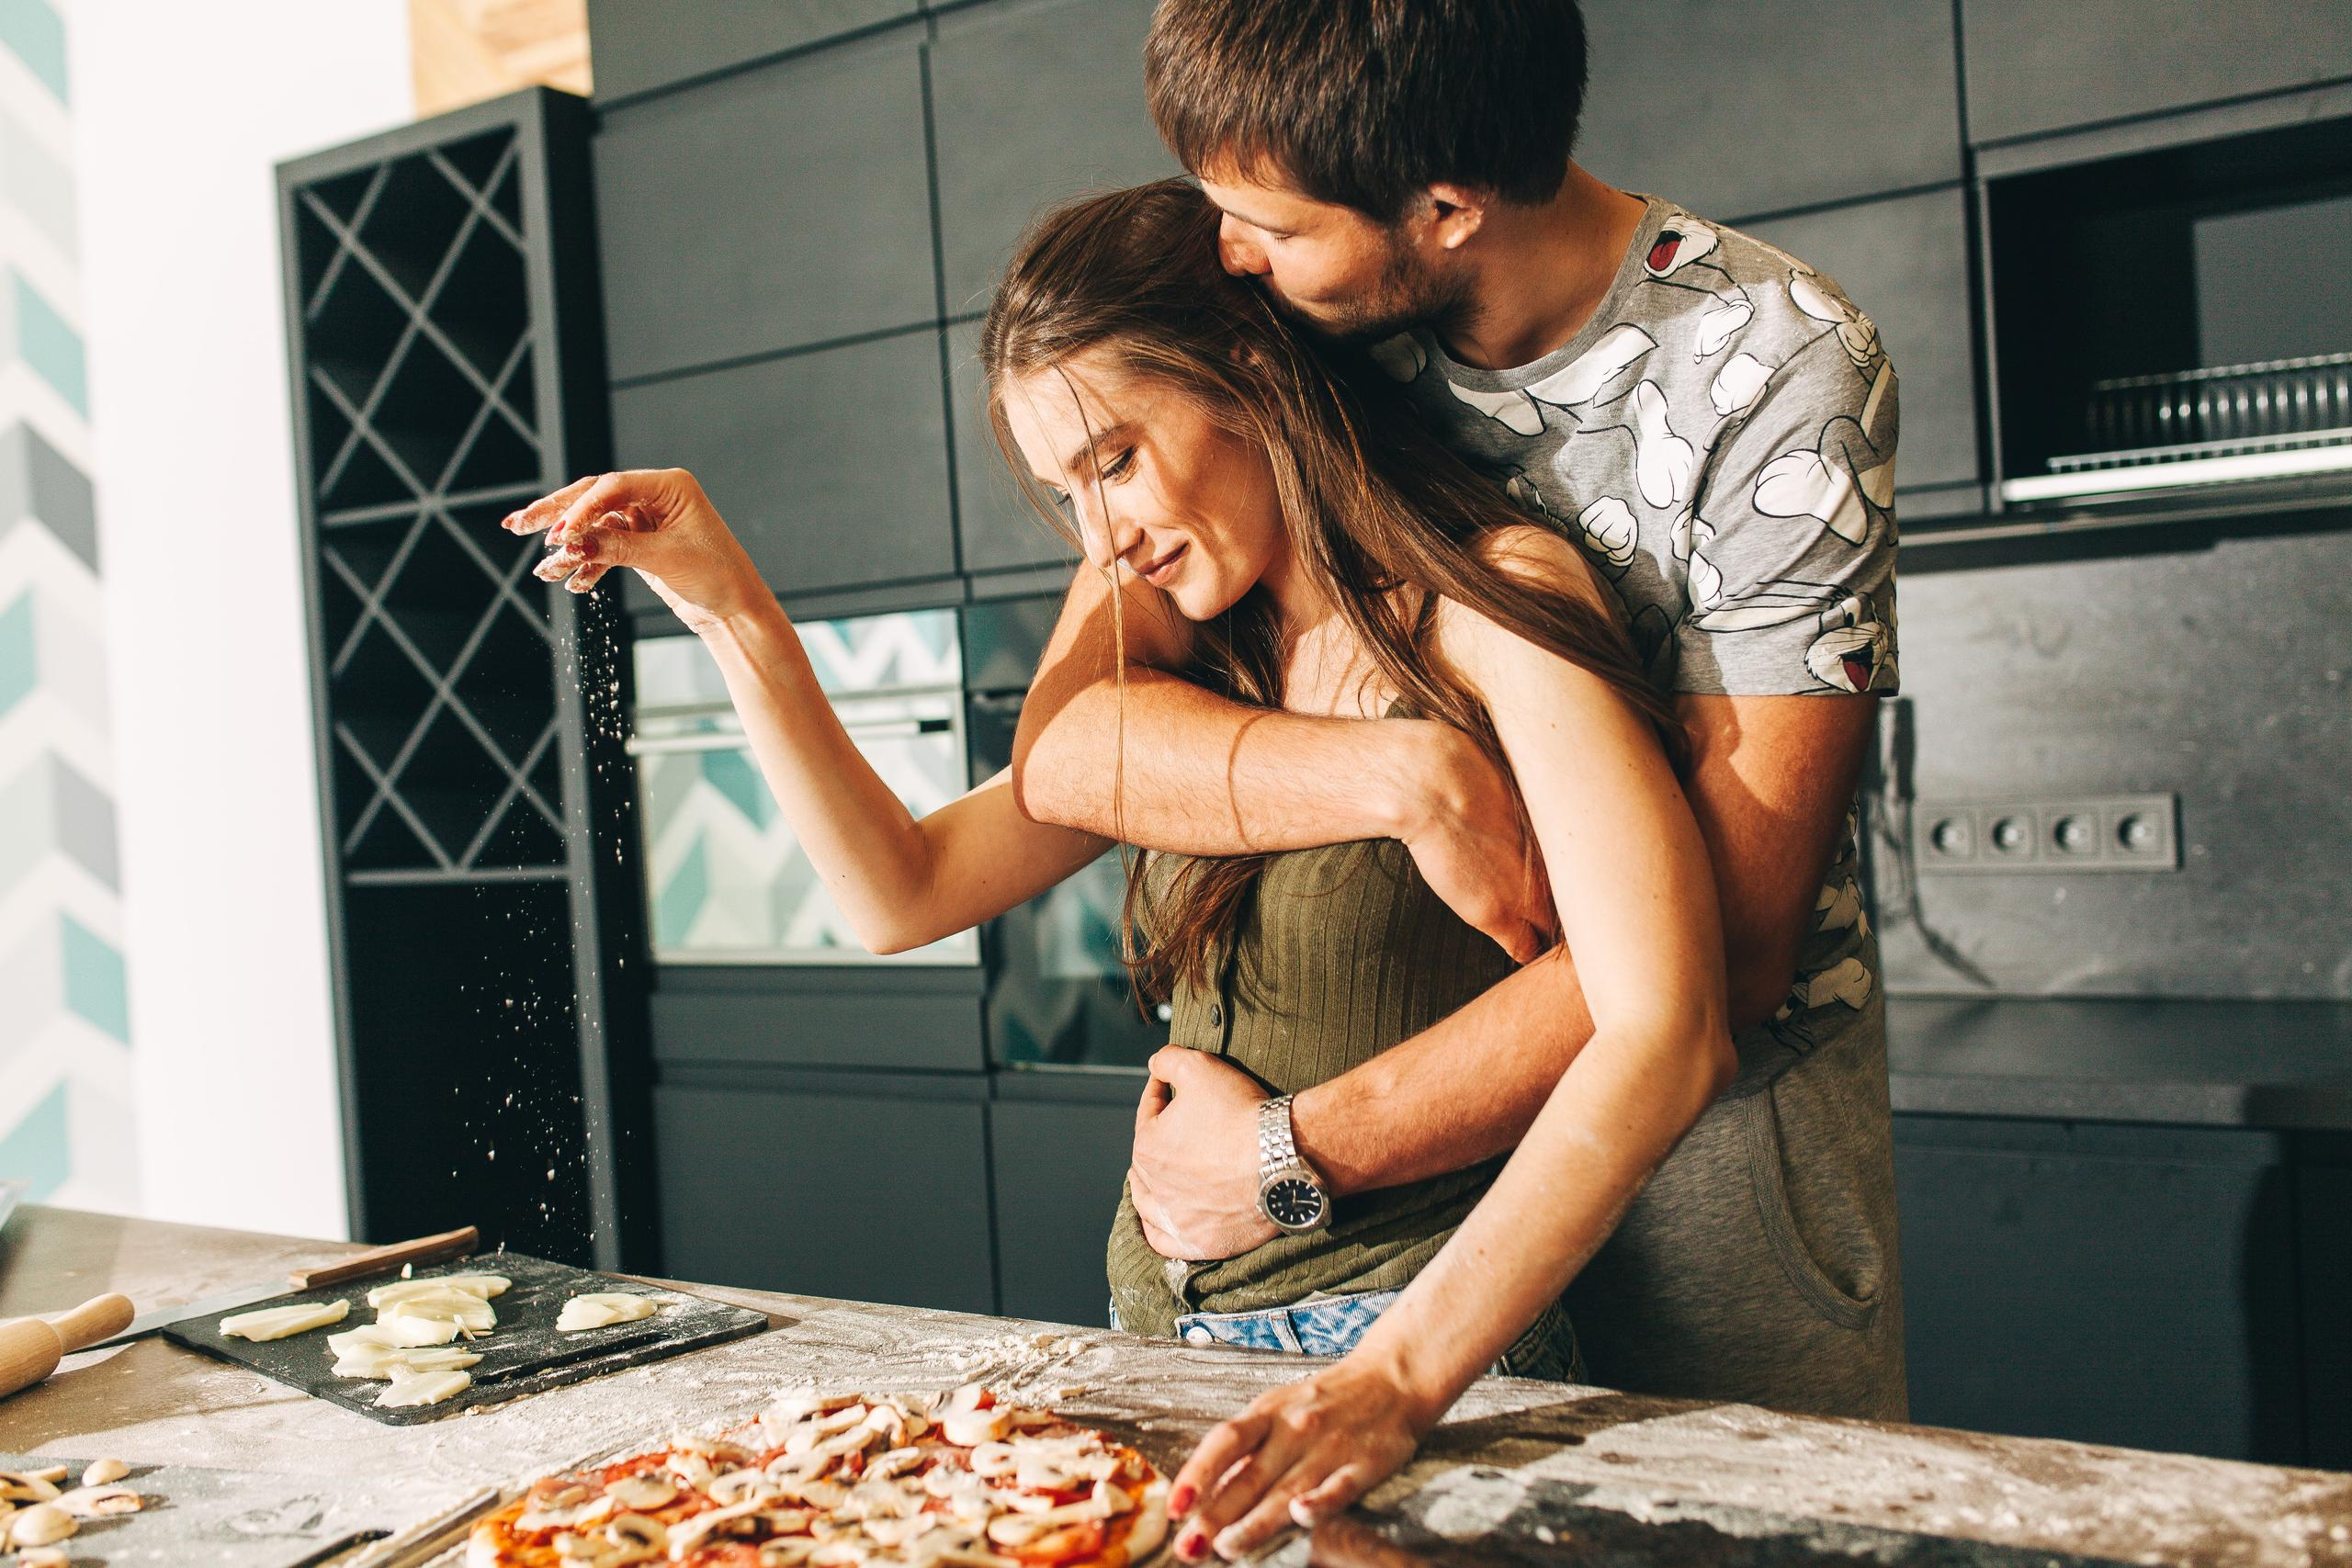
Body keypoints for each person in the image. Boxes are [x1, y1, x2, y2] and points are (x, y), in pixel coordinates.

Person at [505, 172, 1733, 1537]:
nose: (1103, 540)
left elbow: (1664, 1026)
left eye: (1116, 462)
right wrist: (731, 607)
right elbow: (896, 892)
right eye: (1065, 492)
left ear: (1253, 373)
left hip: (1409, 1368)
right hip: (1156, 1351)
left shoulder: (1488, 602)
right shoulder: (1198, 657)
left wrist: (1395, 1381)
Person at [1000, 0, 1905, 1556]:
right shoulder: (1291, 321)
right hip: (1400, 1203)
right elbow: (1079, 744)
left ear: (1442, 211)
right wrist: (1406, 777)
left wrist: (1294, 1160)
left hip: (1711, 1153)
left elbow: (1722, 962)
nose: (1221, 250)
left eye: (1260, 222)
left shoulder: (1776, 371)